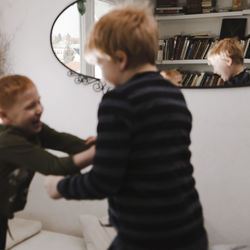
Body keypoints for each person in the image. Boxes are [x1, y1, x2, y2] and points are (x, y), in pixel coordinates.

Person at [44, 4, 208, 250]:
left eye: (101, 65)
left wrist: (59, 187)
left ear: (120, 59)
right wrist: (112, 144)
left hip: (146, 236)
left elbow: (104, 181)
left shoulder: (118, 100)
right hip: (190, 228)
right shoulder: (173, 94)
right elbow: (153, 148)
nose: (102, 74)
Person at [0, 74, 95, 250]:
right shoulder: (8, 142)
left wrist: (100, 144)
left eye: (38, 101)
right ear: (5, 116)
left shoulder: (34, 129)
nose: (39, 109)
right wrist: (96, 153)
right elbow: (54, 166)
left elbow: (62, 141)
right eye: (30, 106)